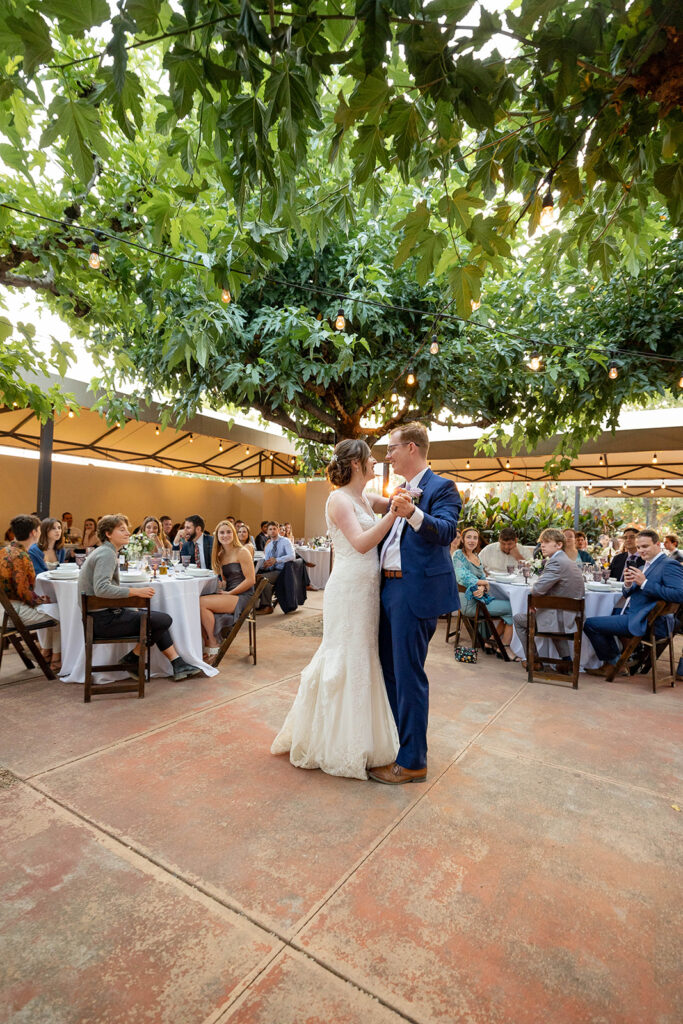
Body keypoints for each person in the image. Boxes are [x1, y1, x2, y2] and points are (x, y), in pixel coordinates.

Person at [271, 439, 401, 779]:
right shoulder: (338, 499)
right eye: (370, 458)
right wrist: (392, 515)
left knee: (363, 653)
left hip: (368, 588)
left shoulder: (364, 498)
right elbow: (360, 543)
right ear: (356, 463)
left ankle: (364, 736)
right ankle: (332, 739)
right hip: (348, 587)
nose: (375, 462)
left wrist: (405, 498)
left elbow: (393, 502)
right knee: (345, 654)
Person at [372, 422, 461, 784]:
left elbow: (446, 531)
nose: (387, 456)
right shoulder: (397, 490)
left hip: (413, 592)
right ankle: (398, 745)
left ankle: (413, 762)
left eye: (391, 449)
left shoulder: (443, 487)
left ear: (411, 448)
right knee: (389, 671)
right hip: (387, 589)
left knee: (409, 676)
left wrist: (411, 513)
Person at [79, 514, 202, 681]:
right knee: (163, 620)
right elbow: (102, 589)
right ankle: (134, 657)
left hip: (99, 617)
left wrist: (129, 605)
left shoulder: (105, 551)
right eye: (122, 530)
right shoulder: (106, 554)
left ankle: (176, 663)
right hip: (103, 621)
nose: (128, 533)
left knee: (154, 619)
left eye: (127, 530)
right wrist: (136, 592)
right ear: (108, 534)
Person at [584, 529, 683, 677]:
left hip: (650, 621)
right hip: (637, 613)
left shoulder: (668, 565)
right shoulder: (645, 565)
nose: (641, 551)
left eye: (645, 546)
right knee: (606, 613)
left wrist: (644, 583)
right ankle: (618, 661)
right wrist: (629, 584)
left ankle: (614, 663)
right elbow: (628, 593)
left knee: (590, 624)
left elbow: (679, 594)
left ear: (657, 544)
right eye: (639, 547)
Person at [513, 528, 585, 672]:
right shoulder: (568, 560)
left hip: (561, 620)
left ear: (559, 545)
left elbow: (538, 589)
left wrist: (533, 600)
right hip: (573, 618)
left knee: (518, 619)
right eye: (541, 543)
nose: (542, 546)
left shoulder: (556, 562)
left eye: (546, 542)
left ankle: (534, 660)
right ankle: (566, 661)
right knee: (547, 614)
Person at [0, 514, 61, 671]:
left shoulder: (4, 551)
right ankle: (56, 658)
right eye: (39, 530)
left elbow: (18, 589)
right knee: (62, 613)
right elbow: (23, 592)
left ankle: (46, 653)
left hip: (3, 611)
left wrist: (38, 599)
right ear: (34, 532)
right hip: (12, 615)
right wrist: (39, 601)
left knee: (51, 608)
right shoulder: (22, 555)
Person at [199, 520, 256, 662]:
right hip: (230, 594)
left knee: (201, 603)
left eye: (228, 532)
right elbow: (225, 581)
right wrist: (221, 586)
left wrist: (230, 593)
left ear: (234, 534)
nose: (225, 535)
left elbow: (251, 580)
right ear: (217, 536)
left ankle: (212, 643)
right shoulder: (220, 555)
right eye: (222, 533)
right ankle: (206, 644)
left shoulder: (242, 551)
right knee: (197, 601)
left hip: (243, 596)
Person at [452, 527, 514, 652]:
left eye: (475, 538)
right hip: (468, 601)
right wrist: (483, 583)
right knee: (513, 609)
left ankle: (492, 641)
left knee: (510, 607)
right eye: (468, 537)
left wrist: (481, 586)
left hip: (480, 598)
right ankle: (504, 647)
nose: (472, 540)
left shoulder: (476, 556)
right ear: (463, 540)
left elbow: (482, 577)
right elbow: (462, 576)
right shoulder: (458, 555)